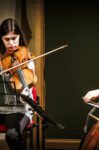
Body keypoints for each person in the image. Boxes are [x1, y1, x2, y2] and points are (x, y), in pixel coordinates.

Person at [0, 18, 37, 150]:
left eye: (14, 38)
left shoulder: (26, 57)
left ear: (19, 36)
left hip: (19, 107)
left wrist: (20, 76)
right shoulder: (0, 59)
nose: (11, 43)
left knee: (12, 135)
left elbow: (29, 82)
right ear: (1, 39)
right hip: (1, 106)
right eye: (6, 39)